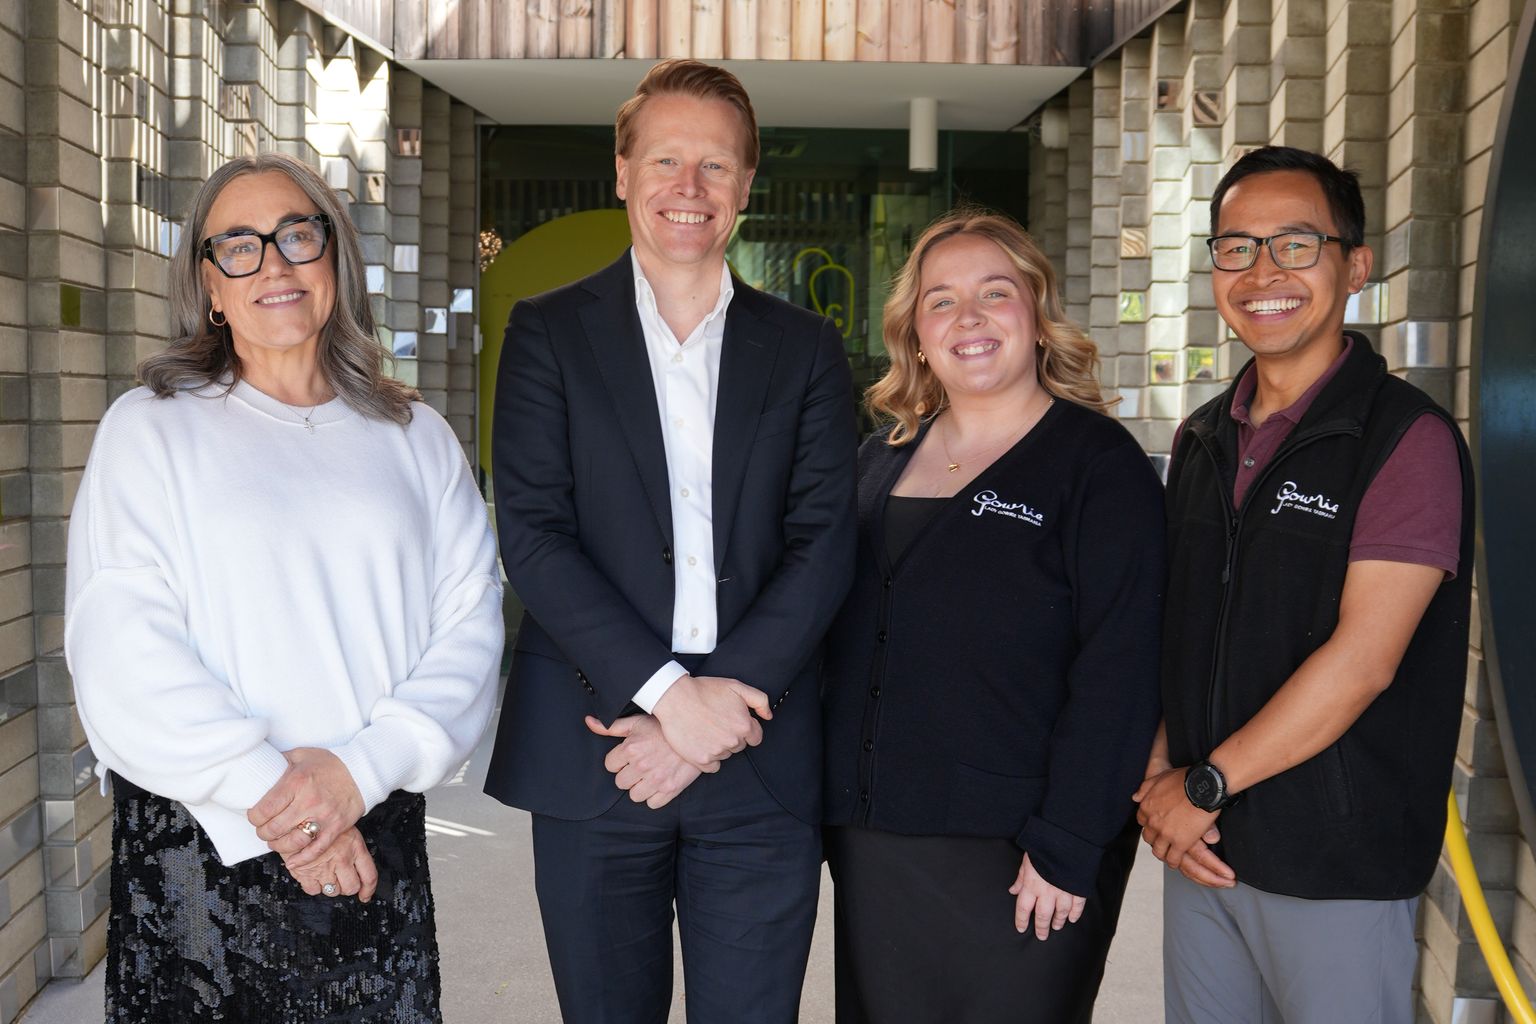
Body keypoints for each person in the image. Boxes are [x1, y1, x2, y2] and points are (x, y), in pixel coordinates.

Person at [64, 152, 505, 1022]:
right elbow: (120, 644)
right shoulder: (150, 430)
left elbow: (471, 624)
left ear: (334, 255)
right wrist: (286, 803)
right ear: (209, 285)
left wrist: (354, 778)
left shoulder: (414, 434)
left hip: (371, 832)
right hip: (200, 853)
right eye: (239, 246)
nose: (273, 264)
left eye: (297, 235)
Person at [483, 59, 858, 1023]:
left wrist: (716, 712)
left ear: (746, 184)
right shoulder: (546, 334)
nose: (689, 187)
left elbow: (824, 542)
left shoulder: (806, 347)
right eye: (665, 161)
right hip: (597, 747)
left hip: (759, 752)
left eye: (715, 165)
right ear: (622, 173)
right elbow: (535, 535)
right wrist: (669, 699)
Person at [1134, 145, 1473, 1023]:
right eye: (1236, 247)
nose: (1262, 273)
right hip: (1207, 849)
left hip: (1334, 867)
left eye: (1295, 244)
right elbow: (1184, 628)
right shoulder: (1203, 438)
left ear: (1355, 266)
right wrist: (1162, 772)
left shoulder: (1404, 440)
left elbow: (1364, 661)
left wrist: (1202, 785)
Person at [822, 209, 1166, 1023]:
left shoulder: (1099, 465)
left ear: (1038, 314)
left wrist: (1069, 843)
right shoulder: (876, 461)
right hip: (874, 842)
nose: (968, 318)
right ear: (915, 335)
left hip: (1025, 852)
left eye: (995, 292)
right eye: (940, 300)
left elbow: (1124, 669)